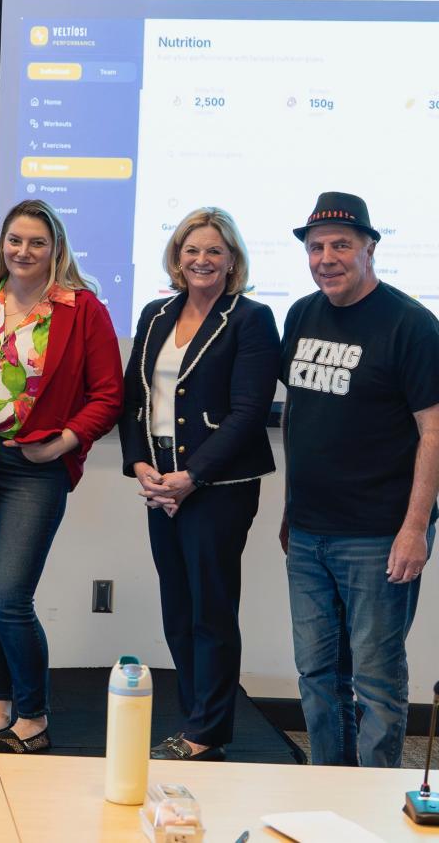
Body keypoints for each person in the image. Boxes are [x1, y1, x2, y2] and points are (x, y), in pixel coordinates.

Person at [0, 199, 123, 754]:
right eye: (14, 240)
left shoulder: (82, 309)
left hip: (32, 468)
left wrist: (66, 441)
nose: (23, 251)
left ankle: (34, 718)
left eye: (36, 242)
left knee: (9, 595)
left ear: (56, 249)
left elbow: (109, 395)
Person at [279, 191, 439, 767]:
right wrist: (289, 512)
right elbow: (302, 419)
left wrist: (415, 529)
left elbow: (434, 434)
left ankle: (374, 802)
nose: (326, 258)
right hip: (310, 533)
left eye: (341, 245)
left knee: (375, 682)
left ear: (370, 248)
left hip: (378, 536)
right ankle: (327, 789)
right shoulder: (301, 313)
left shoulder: (412, 325)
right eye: (316, 247)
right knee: (317, 675)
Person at [119, 207, 280, 762]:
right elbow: (133, 399)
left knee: (211, 608)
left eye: (214, 251)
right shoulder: (156, 312)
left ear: (232, 259)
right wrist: (140, 465)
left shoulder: (251, 318)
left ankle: (206, 732)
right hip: (160, 483)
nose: (202, 260)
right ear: (177, 257)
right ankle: (195, 723)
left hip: (218, 486)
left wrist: (192, 476)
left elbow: (248, 411)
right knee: (177, 607)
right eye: (192, 250)